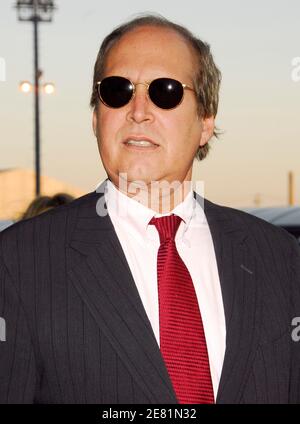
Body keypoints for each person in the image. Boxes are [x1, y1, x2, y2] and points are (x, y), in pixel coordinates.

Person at [1, 14, 300, 404]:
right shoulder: (20, 263)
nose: (138, 110)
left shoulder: (280, 257)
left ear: (206, 121)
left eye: (166, 91)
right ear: (96, 117)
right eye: (117, 90)